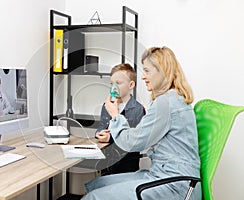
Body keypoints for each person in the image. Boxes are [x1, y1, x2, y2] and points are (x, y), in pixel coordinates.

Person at [82, 47, 201, 199]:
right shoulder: (172, 99)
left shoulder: (166, 103)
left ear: (162, 71)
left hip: (176, 184)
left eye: (147, 71)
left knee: (94, 197)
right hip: (166, 175)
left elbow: (133, 142)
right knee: (97, 184)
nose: (143, 77)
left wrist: (115, 115)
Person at [95, 63, 146, 175]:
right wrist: (100, 133)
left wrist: (110, 138)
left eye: (118, 83)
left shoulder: (138, 109)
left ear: (131, 85)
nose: (114, 87)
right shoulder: (107, 106)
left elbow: (134, 139)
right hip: (107, 164)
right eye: (112, 83)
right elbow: (101, 127)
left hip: (126, 166)